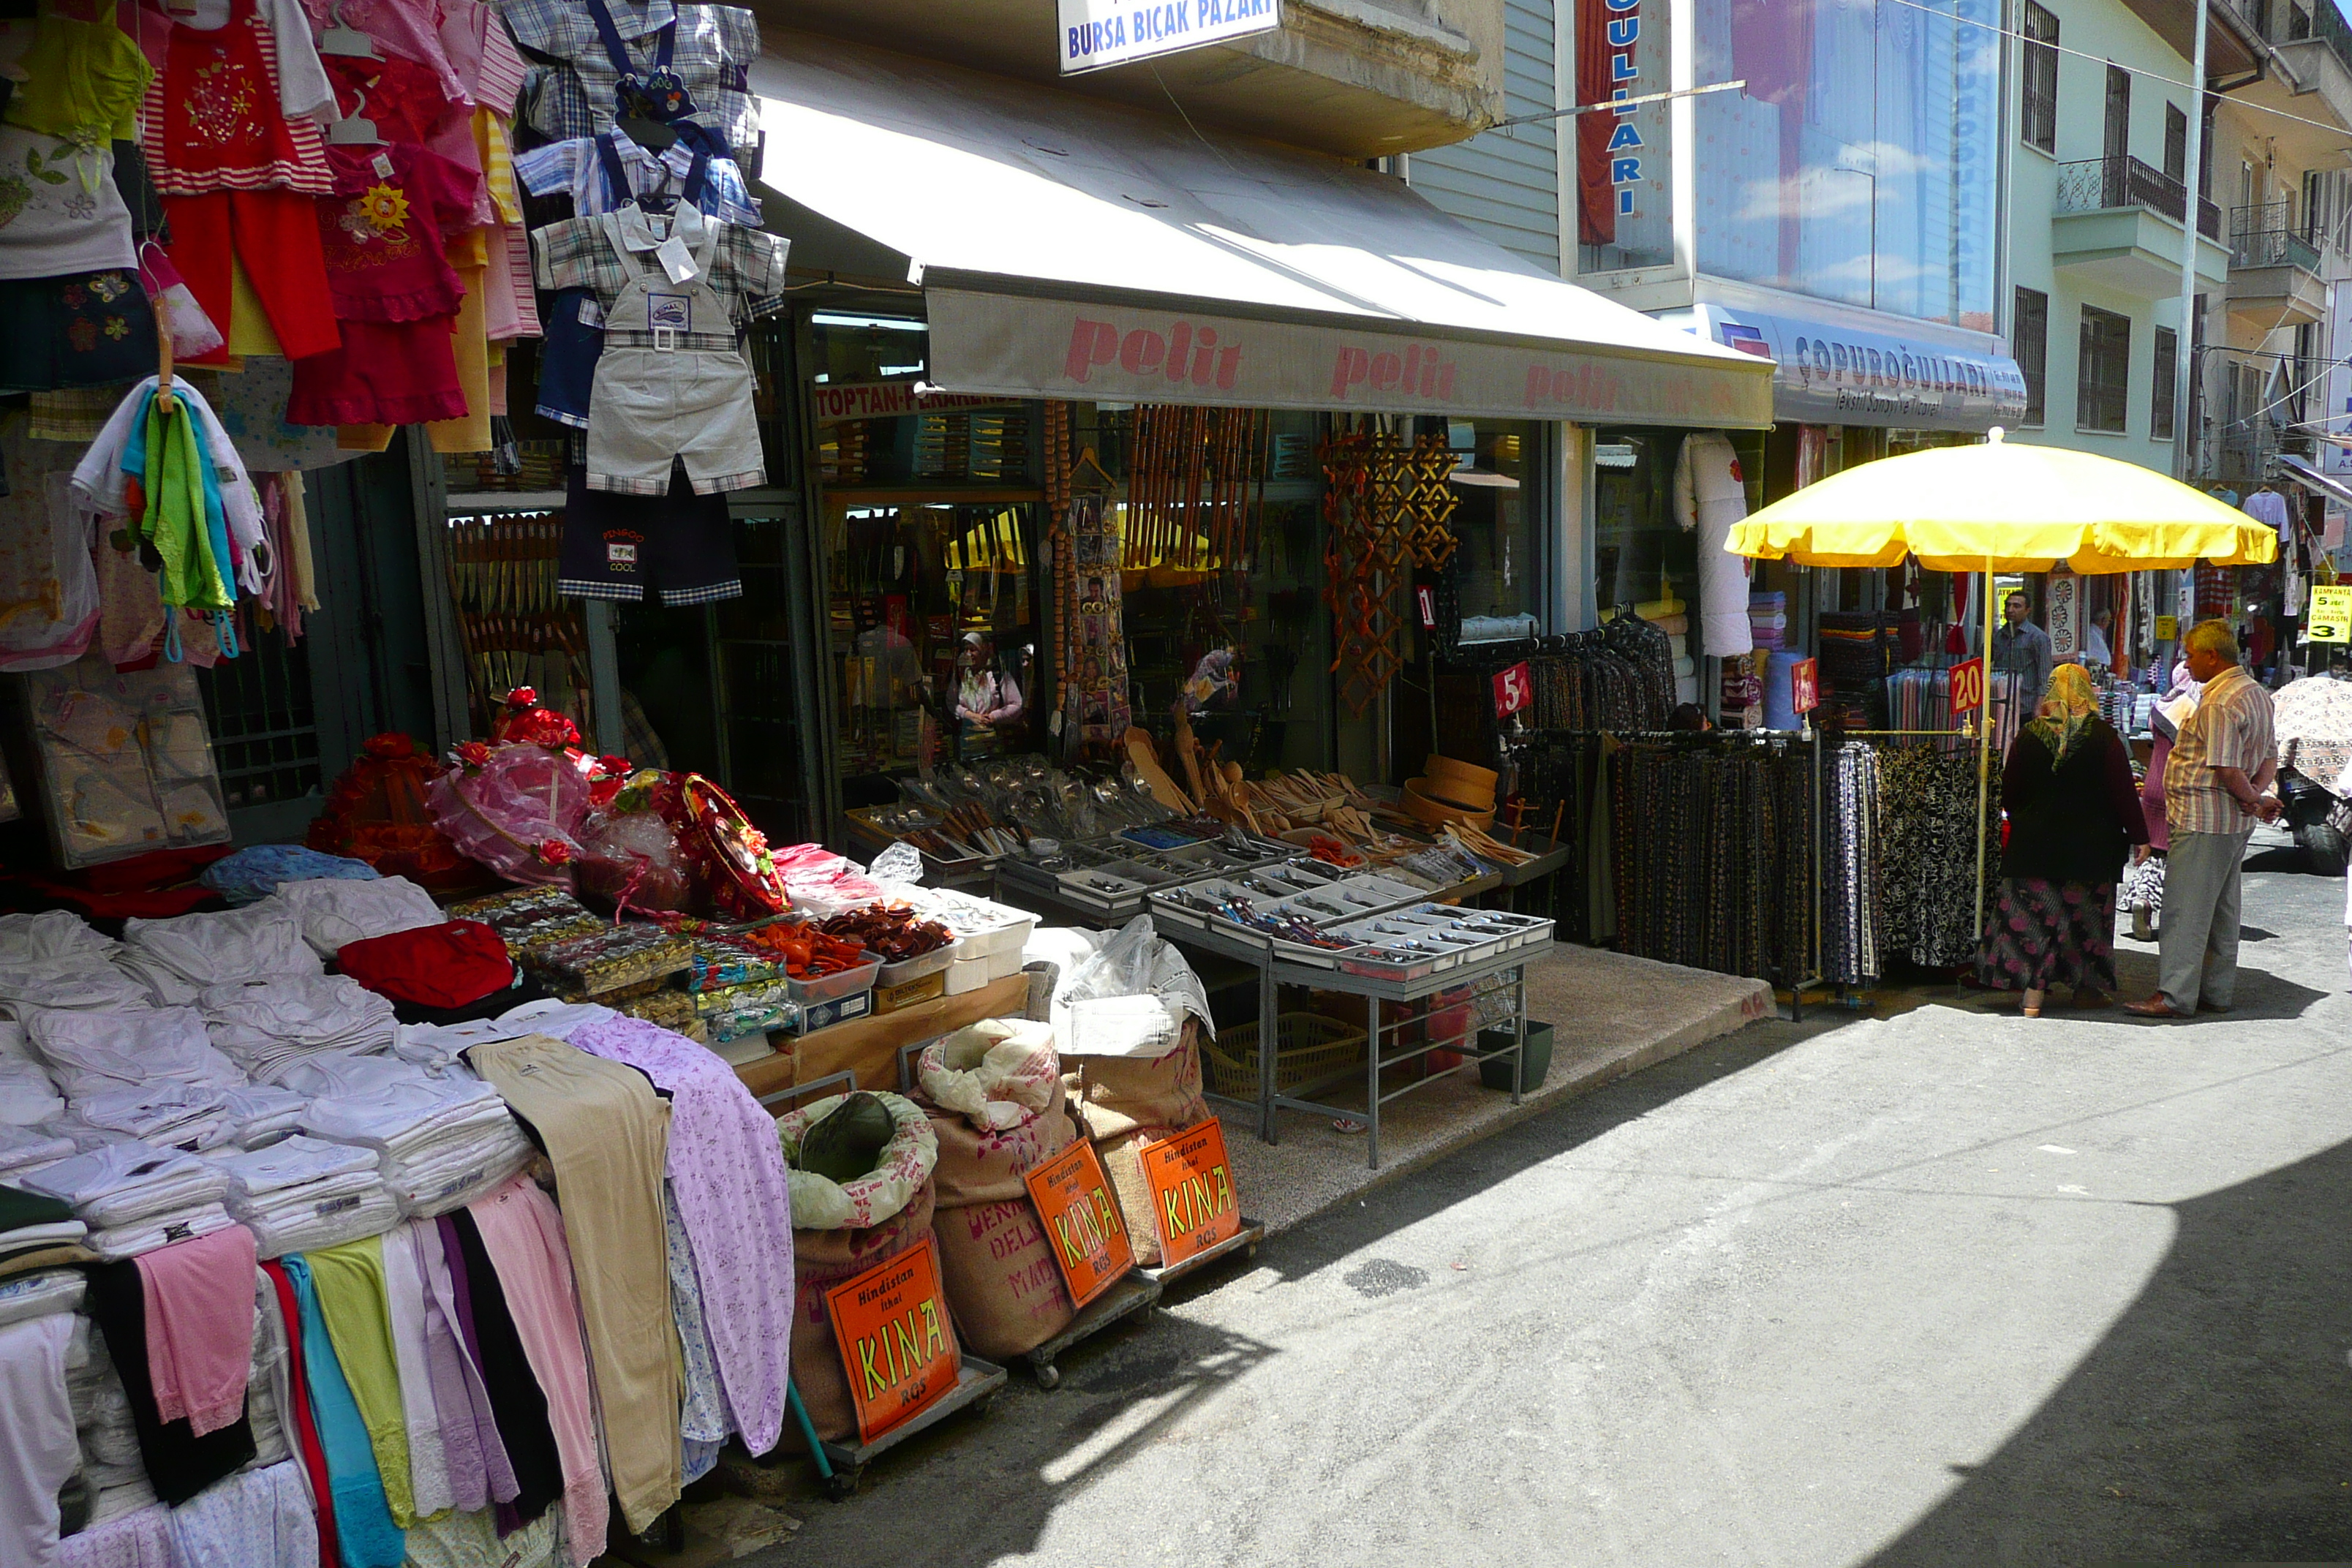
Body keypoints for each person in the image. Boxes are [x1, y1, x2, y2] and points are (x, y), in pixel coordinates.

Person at [2126, 621, 2280, 1019]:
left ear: (2213, 656)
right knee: (2222, 911)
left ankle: (2175, 996)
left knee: (2186, 911)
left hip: (2204, 819)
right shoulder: (2256, 694)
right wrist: (2255, 799)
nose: (2187, 662)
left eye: (2191, 654)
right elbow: (2268, 757)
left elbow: (2226, 767)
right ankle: (2215, 991)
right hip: (2231, 822)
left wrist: (2252, 798)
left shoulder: (2219, 702)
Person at [1975, 665, 2149, 1016]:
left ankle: (2032, 993)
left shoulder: (2029, 735)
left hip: (2035, 848)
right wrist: (2140, 837)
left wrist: (2034, 817)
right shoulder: (2104, 738)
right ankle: (2086, 990)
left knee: (2035, 921)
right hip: (2091, 851)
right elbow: (2123, 794)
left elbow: (2009, 793)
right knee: (2083, 923)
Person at [953, 630, 1025, 752]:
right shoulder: (960, 677)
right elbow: (951, 703)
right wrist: (969, 715)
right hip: (967, 744)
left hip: (995, 742)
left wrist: (993, 717)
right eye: (966, 650)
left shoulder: (998, 675)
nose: (969, 654)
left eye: (973, 650)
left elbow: (1016, 705)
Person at [1991, 589, 2053, 720]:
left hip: (2026, 705)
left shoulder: (2037, 637)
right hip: (2000, 702)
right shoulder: (1998, 636)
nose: (2010, 610)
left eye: (2016, 606)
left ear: (2027, 610)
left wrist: (2040, 705)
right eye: (2008, 605)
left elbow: (2045, 675)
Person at [2081, 607, 2114, 672]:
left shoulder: (2097, 632)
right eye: (2109, 620)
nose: (2109, 623)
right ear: (2103, 620)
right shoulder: (2092, 633)